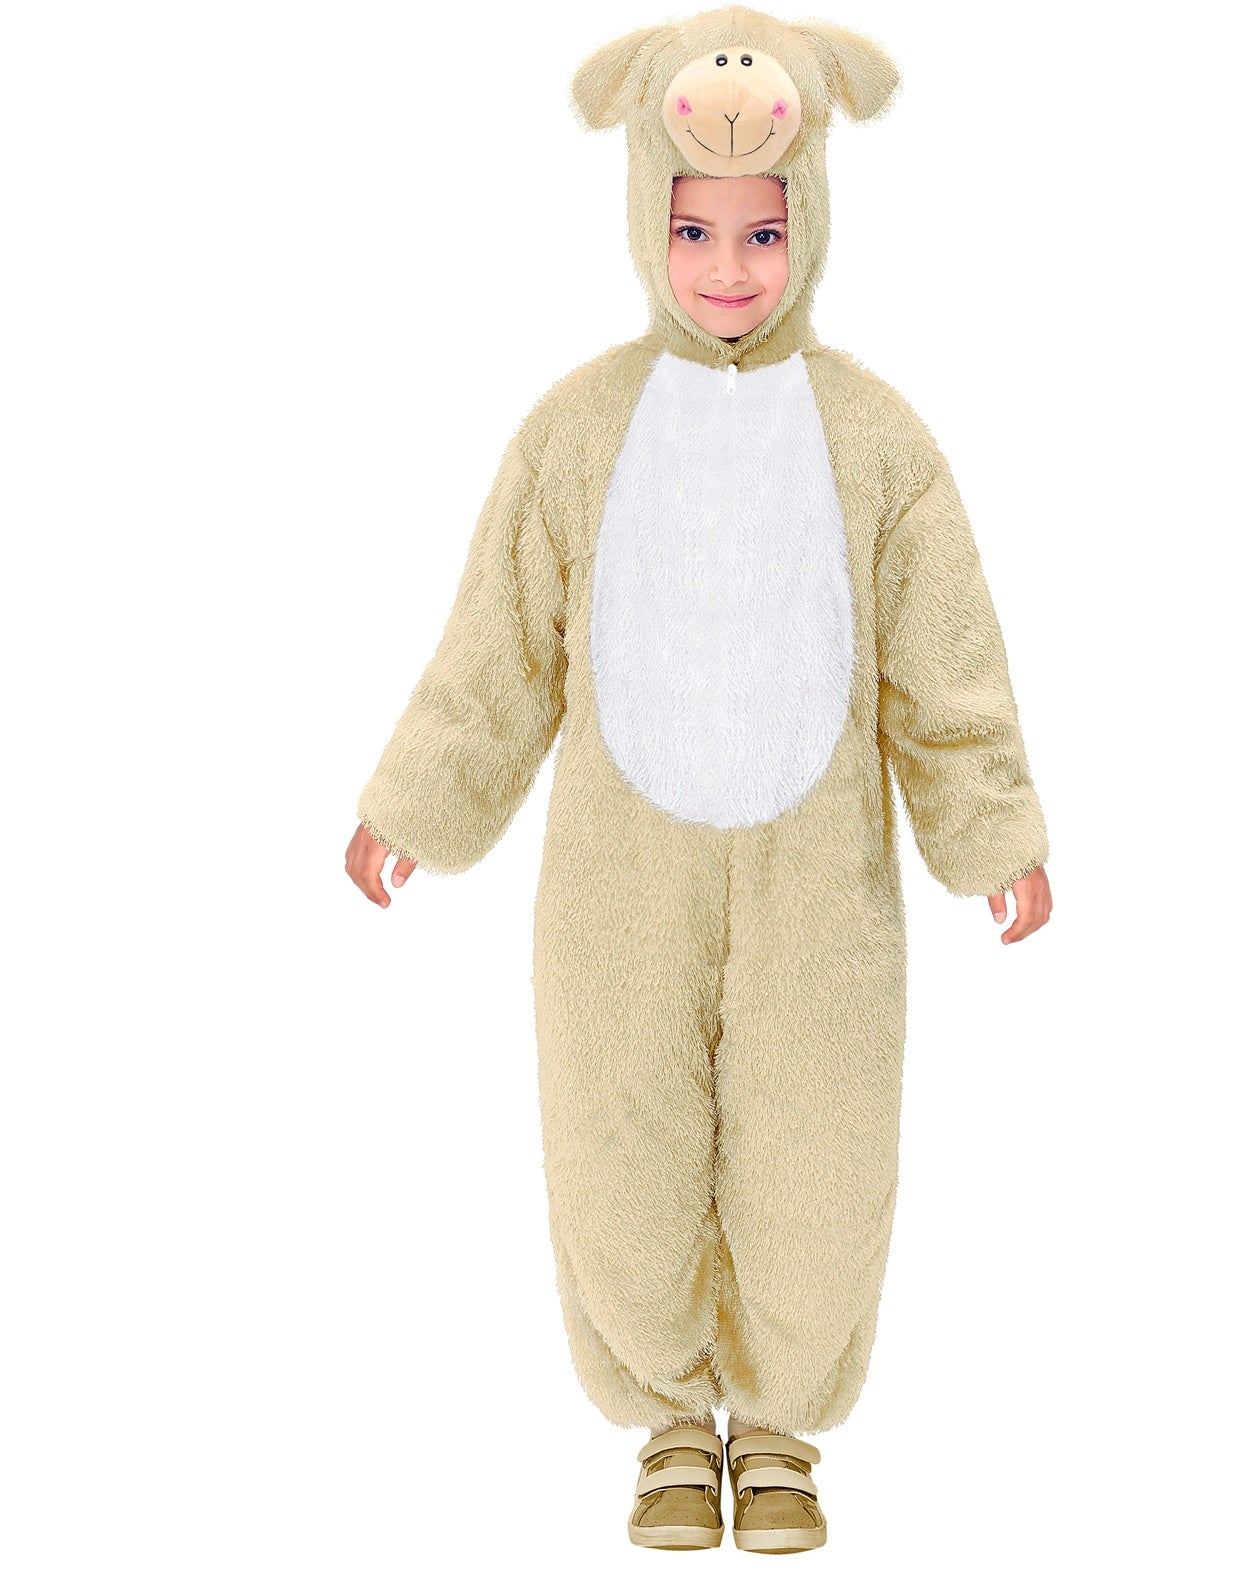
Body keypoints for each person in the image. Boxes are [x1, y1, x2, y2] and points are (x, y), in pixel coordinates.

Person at [344, 9, 1052, 1554]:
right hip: (621, 880)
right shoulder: (575, 432)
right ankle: (669, 1416)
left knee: (821, 1145)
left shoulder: (878, 441)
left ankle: (782, 1426)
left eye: (760, 230)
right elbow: (499, 648)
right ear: (642, 218)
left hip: (820, 889)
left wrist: (990, 827)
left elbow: (943, 663)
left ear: (810, 221)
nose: (727, 266)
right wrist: (416, 800)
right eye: (692, 228)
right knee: (617, 1137)